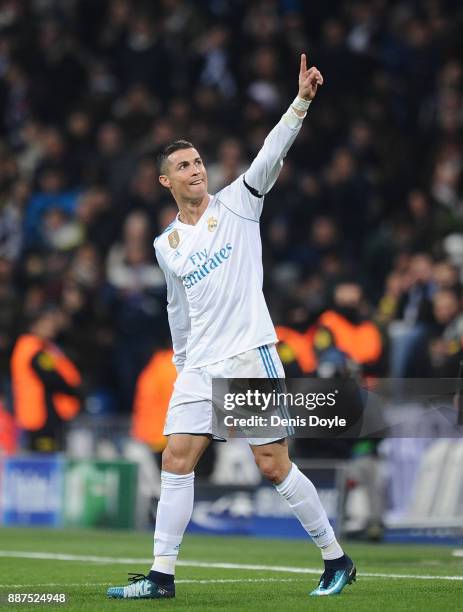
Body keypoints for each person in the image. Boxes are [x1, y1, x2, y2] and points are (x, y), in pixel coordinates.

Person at [107, 54, 356, 600]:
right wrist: (181, 360)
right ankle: (160, 576)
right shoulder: (165, 245)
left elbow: (271, 152)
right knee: (176, 457)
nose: (197, 170)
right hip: (199, 364)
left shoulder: (240, 203)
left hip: (248, 354)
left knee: (272, 465)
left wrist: (301, 102)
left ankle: (336, 559)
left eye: (199, 162)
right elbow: (180, 307)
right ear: (165, 180)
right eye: (185, 166)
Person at [10, 305, 82, 452]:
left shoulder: (38, 347)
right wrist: (73, 390)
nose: (52, 328)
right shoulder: (33, 350)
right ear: (35, 325)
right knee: (43, 458)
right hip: (39, 415)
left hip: (36, 413)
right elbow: (51, 376)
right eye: (47, 323)